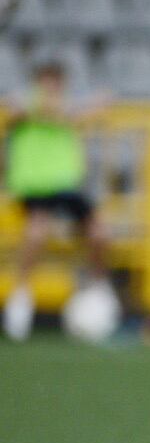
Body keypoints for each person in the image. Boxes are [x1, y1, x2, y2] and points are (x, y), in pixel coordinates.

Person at [4, 60, 114, 343]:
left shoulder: (64, 108)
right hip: (34, 185)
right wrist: (89, 107)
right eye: (48, 82)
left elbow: (71, 115)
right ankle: (22, 294)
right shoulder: (25, 104)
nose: (52, 88)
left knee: (100, 231)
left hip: (65, 185)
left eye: (57, 83)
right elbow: (30, 110)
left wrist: (86, 109)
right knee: (37, 229)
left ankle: (98, 286)